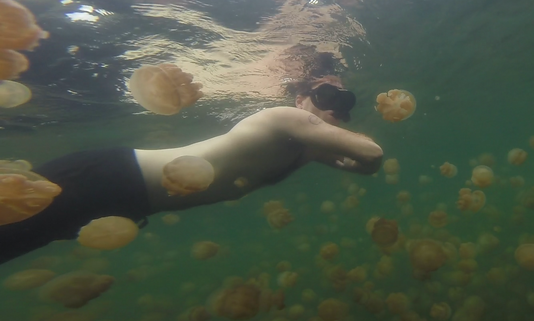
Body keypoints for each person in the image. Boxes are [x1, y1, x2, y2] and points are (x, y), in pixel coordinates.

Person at [0, 75, 383, 264]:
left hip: (126, 201)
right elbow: (371, 153)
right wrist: (346, 145)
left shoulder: (307, 147)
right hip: (111, 177)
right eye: (323, 95)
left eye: (341, 103)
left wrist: (333, 148)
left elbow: (365, 168)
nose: (332, 108)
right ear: (299, 99)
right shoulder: (286, 118)